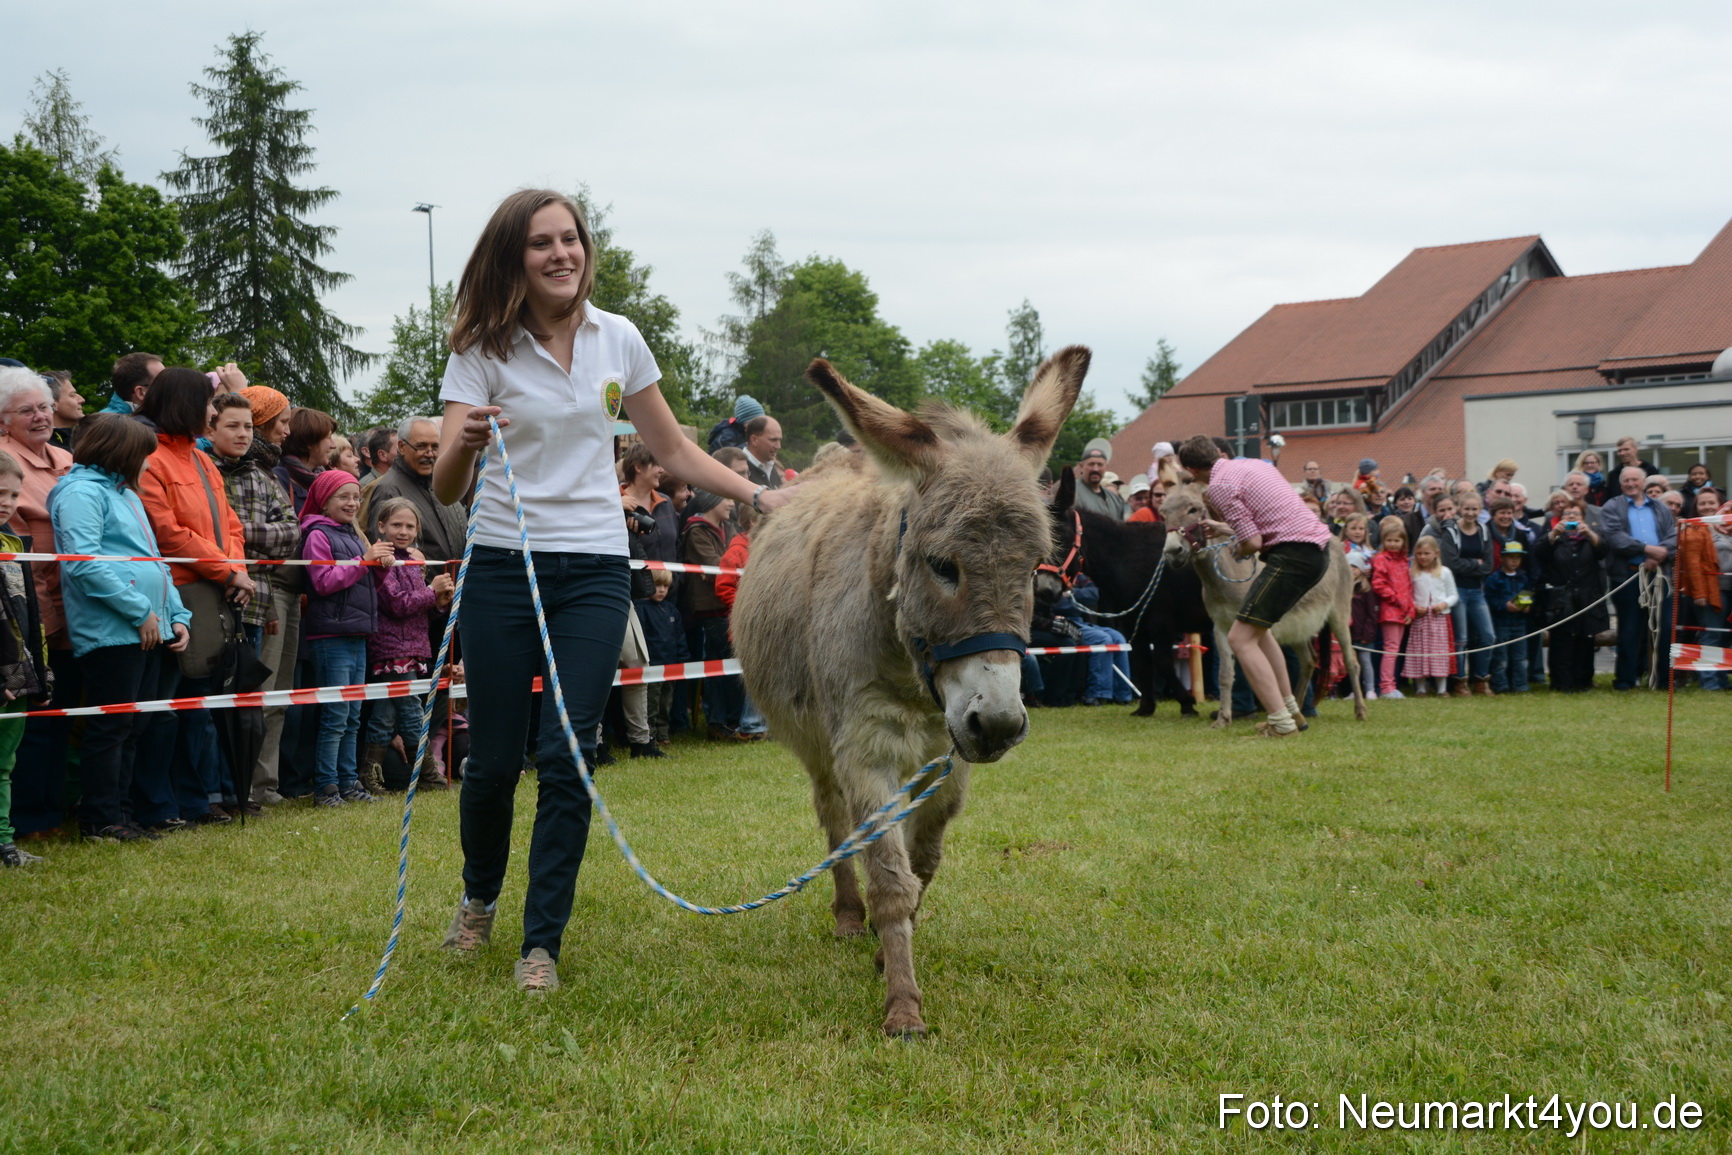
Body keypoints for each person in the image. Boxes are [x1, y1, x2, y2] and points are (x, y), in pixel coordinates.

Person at [430, 188, 792, 994]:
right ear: (513, 258)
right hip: (503, 567)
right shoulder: (480, 347)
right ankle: (479, 895)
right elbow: (450, 485)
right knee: (491, 761)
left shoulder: (617, 337)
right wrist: (468, 441)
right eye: (541, 243)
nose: (562, 254)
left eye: (571, 240)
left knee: (570, 753)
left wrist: (757, 494)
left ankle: (541, 944)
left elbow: (672, 447)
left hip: (594, 568)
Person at [49, 416, 192, 845]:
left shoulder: (125, 494)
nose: (149, 465)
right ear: (122, 453)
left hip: (148, 627)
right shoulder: (80, 494)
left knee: (134, 726)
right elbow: (82, 564)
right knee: (111, 727)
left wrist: (176, 616)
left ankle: (122, 814)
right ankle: (100, 819)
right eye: (144, 456)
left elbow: (153, 560)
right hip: (112, 631)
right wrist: (139, 612)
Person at [134, 368, 256, 828]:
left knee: (199, 706)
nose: (213, 411)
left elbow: (232, 525)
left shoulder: (203, 461)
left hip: (216, 591)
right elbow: (167, 533)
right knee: (167, 706)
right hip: (177, 592)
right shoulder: (151, 459)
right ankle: (159, 805)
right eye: (208, 403)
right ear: (185, 404)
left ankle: (195, 800)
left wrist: (236, 571)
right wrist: (227, 569)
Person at [1177, 434, 1333, 735]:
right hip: (1313, 551)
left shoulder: (1219, 487)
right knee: (1259, 633)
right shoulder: (1251, 465)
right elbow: (1265, 518)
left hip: (1293, 556)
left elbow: (1253, 542)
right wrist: (1225, 528)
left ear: (1192, 471)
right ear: (1218, 453)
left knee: (1239, 639)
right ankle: (1291, 713)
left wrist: (1236, 548)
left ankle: (1280, 723)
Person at [208, 393, 300, 808]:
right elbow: (210, 532)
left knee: (250, 700)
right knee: (213, 700)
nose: (243, 434)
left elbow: (291, 532)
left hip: (258, 600)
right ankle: (216, 791)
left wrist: (241, 534)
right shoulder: (205, 470)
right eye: (234, 426)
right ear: (211, 429)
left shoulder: (263, 476)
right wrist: (246, 537)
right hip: (213, 595)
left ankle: (246, 788)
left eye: (247, 426)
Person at [0, 367, 77, 839]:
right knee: (31, 726)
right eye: (26, 410)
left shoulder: (67, 458)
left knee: (62, 715)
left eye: (45, 406)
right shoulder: (5, 462)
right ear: (3, 420)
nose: (40, 416)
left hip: (75, 611)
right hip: (29, 612)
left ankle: (56, 808)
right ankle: (28, 819)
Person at [299, 469, 389, 806]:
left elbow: (362, 585)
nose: (352, 503)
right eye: (344, 497)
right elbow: (322, 582)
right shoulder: (317, 535)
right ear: (325, 500)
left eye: (356, 497)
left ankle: (349, 782)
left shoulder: (354, 535)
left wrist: (378, 569)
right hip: (331, 636)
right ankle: (326, 786)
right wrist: (362, 562)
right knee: (335, 715)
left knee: (352, 714)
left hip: (357, 633)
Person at [361, 497, 456, 793]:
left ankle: (369, 773)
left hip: (414, 647)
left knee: (386, 713)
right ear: (381, 526)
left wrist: (439, 603)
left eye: (409, 526)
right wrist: (431, 591)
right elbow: (397, 604)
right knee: (413, 709)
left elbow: (419, 609)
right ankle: (428, 774)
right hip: (391, 648)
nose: (403, 531)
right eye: (396, 524)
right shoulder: (383, 562)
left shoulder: (414, 561)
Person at [0, 451, 55, 865]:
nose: (8, 501)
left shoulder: (16, 544)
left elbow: (30, 617)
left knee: (5, 763)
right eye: (0, 492)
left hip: (17, 676)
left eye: (15, 494)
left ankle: (3, 843)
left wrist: (40, 671)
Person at [1601, 464, 1677, 690]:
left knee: (1664, 629)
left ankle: (1664, 681)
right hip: (1628, 577)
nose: (1631, 484)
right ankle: (1625, 680)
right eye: (1627, 481)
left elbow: (1673, 536)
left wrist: (1658, 555)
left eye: (1635, 480)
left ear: (1643, 482)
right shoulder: (1612, 506)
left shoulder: (1660, 508)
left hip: (1660, 576)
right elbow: (1614, 537)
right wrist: (1646, 549)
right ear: (1621, 484)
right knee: (1629, 631)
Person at [360, 416, 468, 564]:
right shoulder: (388, 490)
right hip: (420, 585)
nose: (429, 453)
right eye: (421, 446)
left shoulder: (443, 484)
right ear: (402, 447)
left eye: (435, 447)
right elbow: (385, 556)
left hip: (454, 582)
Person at [680, 489, 740, 739]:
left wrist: (725, 566)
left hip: (728, 604)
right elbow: (719, 565)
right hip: (709, 607)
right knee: (717, 667)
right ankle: (717, 721)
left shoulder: (729, 528)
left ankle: (731, 719)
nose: (731, 502)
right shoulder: (696, 531)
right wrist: (728, 565)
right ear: (712, 501)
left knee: (730, 665)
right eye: (726, 498)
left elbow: (726, 564)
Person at [1426, 492, 1495, 696]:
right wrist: (1475, 563)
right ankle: (1459, 682)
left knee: (1488, 635)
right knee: (1461, 638)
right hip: (1456, 591)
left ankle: (1481, 679)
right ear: (1459, 509)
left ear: (1480, 510)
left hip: (1476, 590)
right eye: (1467, 509)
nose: (1471, 513)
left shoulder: (1484, 531)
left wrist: (1472, 566)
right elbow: (1450, 564)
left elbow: (1489, 565)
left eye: (1475, 509)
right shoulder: (1451, 532)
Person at [1535, 501, 1607, 691]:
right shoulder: (1554, 538)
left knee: (1585, 639)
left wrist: (1589, 534)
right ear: (1560, 518)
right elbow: (1539, 552)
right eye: (1567, 514)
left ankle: (1583, 682)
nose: (1572, 517)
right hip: (1561, 598)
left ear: (1583, 518)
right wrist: (1554, 534)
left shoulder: (1590, 538)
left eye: (1576, 514)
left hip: (1586, 597)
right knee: (1561, 641)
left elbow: (1603, 550)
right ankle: (1561, 683)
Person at [1675, 486, 1724, 691]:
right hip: (1708, 591)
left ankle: (1722, 679)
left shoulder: (1726, 525)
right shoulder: (1693, 528)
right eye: (1702, 503)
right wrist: (1700, 592)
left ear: (1719, 504)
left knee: (1723, 635)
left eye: (1711, 502)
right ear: (1696, 506)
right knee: (1711, 634)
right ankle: (1709, 682)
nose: (1707, 507)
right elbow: (1692, 564)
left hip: (1728, 590)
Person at [634, 568, 685, 748]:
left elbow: (679, 637)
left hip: (670, 667)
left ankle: (663, 734)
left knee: (666, 704)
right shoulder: (640, 609)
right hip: (652, 667)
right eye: (657, 585)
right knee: (651, 704)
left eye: (666, 586)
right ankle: (650, 736)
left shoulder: (671, 610)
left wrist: (682, 658)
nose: (662, 590)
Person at [1405, 535, 1458, 696]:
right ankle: (1420, 688)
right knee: (1418, 652)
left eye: (1426, 553)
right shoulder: (1412, 573)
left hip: (1439, 619)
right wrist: (1414, 607)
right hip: (1420, 620)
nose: (1422, 557)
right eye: (1419, 553)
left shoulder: (1444, 572)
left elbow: (1453, 595)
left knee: (1439, 653)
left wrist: (1443, 604)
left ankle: (1442, 689)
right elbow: (1408, 595)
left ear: (1436, 553)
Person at [1369, 516, 1414, 700]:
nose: (1393, 544)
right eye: (1389, 540)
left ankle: (1391, 685)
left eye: (1397, 540)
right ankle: (1386, 686)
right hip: (1390, 610)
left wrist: (1410, 610)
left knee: (1394, 649)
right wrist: (1397, 600)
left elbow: (1409, 587)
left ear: (1403, 541)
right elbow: (1378, 584)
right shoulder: (1381, 559)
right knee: (1390, 648)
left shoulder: (1404, 562)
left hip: (1403, 612)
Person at [1485, 540, 1533, 694]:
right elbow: (1489, 600)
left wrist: (1527, 605)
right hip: (1501, 623)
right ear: (1502, 558)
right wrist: (1504, 606)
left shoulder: (1524, 578)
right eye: (1511, 557)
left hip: (1519, 623)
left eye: (1517, 557)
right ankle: (1501, 686)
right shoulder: (1494, 578)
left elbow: (1528, 595)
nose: (1514, 560)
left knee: (1520, 658)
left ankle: (1520, 686)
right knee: (1501, 658)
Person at [1341, 513, 1379, 701]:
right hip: (1348, 603)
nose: (1357, 532)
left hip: (1366, 598)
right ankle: (1352, 689)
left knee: (1365, 659)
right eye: (1353, 528)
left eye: (1361, 528)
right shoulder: (1343, 549)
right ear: (1345, 530)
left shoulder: (1371, 551)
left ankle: (1371, 688)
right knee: (1350, 659)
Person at [275, 408, 335, 515]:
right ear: (309, 442)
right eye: (329, 438)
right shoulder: (278, 478)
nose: (333, 445)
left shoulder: (323, 480)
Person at [1072, 441, 1127, 521]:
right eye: (1091, 464)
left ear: (1106, 467)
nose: (1095, 469)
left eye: (1100, 464)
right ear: (1081, 466)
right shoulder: (1073, 493)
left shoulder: (1114, 499)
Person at [742, 415, 785, 490]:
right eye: (773, 440)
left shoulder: (771, 467)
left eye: (779, 440)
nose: (778, 446)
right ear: (754, 440)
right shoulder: (738, 468)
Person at [47, 370, 83, 451]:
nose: (82, 399)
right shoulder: (44, 448)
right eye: (72, 395)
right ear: (53, 404)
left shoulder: (82, 440)